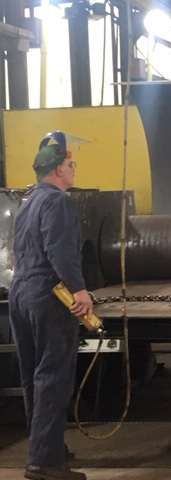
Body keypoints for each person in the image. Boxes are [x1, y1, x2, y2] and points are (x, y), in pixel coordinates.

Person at [9, 131, 91, 480]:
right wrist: (80, 291)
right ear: (58, 169)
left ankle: (48, 447)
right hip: (48, 296)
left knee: (33, 376)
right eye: (71, 164)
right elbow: (61, 251)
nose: (74, 169)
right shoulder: (57, 202)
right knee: (53, 377)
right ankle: (43, 463)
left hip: (20, 295)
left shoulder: (26, 204)